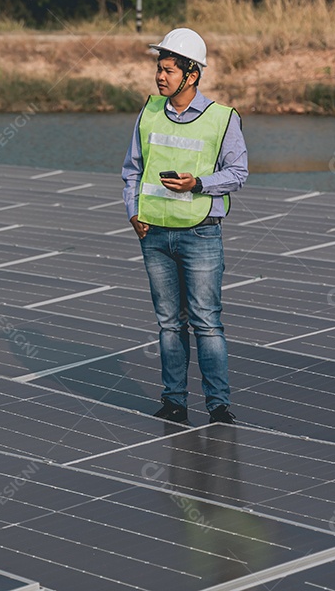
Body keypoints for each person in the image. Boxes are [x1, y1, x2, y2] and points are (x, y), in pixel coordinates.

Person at [120, 28, 248, 425]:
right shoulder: (149, 112)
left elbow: (239, 172)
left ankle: (218, 407)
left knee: (207, 323)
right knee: (168, 324)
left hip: (200, 233)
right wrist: (133, 212)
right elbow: (132, 170)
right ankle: (174, 401)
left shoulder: (222, 119)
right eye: (159, 68)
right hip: (153, 234)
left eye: (169, 70)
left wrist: (199, 184)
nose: (160, 76)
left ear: (192, 75)